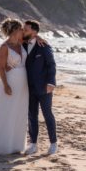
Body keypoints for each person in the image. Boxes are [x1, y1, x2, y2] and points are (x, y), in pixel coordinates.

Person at [0, 18, 29, 154]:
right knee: (7, 111)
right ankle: (2, 145)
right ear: (14, 31)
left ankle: (16, 145)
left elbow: (34, 37)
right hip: (11, 82)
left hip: (24, 85)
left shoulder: (21, 43)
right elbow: (1, 68)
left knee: (20, 113)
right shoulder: (4, 47)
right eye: (20, 29)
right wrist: (6, 85)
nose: (22, 31)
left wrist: (41, 39)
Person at [22, 20, 58, 155]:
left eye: (26, 29)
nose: (24, 31)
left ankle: (54, 143)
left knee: (47, 114)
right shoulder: (23, 44)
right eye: (23, 29)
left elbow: (51, 65)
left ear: (34, 31)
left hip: (44, 87)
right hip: (28, 87)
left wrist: (51, 83)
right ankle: (33, 144)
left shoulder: (44, 46)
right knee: (32, 115)